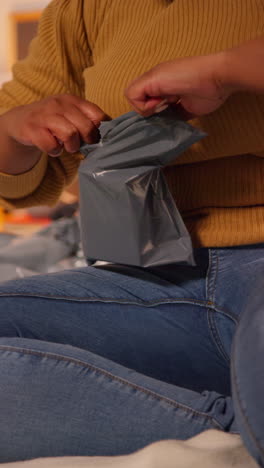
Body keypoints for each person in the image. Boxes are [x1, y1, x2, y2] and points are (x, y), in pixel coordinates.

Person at [0, 0, 263, 465]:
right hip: (151, 279)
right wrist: (17, 127)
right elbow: (19, 173)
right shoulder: (81, 10)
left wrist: (228, 72)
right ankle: (233, 432)